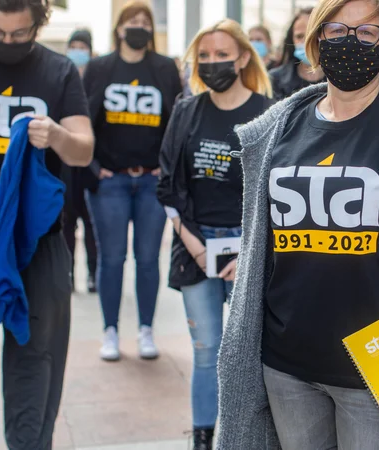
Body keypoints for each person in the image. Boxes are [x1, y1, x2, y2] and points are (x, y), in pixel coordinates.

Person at [216, 0, 379, 448]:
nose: (350, 42)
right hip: (287, 362)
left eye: (366, 33)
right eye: (336, 31)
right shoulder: (278, 129)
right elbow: (262, 244)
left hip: (378, 370)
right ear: (315, 40)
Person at [0, 0, 94, 448]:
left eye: (18, 34)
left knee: (37, 359)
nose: (6, 42)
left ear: (38, 25)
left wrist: (58, 136)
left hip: (38, 243)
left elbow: (82, 150)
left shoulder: (60, 71)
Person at [158, 19, 273, 450]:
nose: (212, 64)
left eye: (221, 55)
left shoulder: (270, 112)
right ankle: (204, 438)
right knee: (207, 350)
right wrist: (192, 241)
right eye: (203, 57)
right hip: (196, 246)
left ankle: (248, 436)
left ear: (243, 58)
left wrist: (249, 250)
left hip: (251, 247)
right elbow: (168, 185)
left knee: (250, 355)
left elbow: (276, 188)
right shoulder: (186, 111)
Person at [82, 1, 183, 362]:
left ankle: (145, 330)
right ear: (120, 28)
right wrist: (93, 168)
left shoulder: (164, 68)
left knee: (147, 259)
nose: (139, 26)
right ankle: (110, 331)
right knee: (111, 258)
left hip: (151, 184)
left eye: (145, 21)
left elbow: (177, 123)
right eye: (132, 20)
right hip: (111, 182)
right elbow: (82, 120)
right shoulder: (98, 68)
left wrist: (165, 168)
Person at [62, 28, 99, 293]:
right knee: (66, 224)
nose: (78, 51)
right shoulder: (63, 77)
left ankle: (93, 275)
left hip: (92, 167)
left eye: (82, 46)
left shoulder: (95, 78)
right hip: (66, 167)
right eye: (73, 46)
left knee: (92, 226)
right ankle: (68, 274)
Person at [268, 8, 325, 100]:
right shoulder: (275, 79)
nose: (306, 42)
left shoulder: (340, 78)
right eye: (299, 36)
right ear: (292, 40)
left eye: (312, 35)